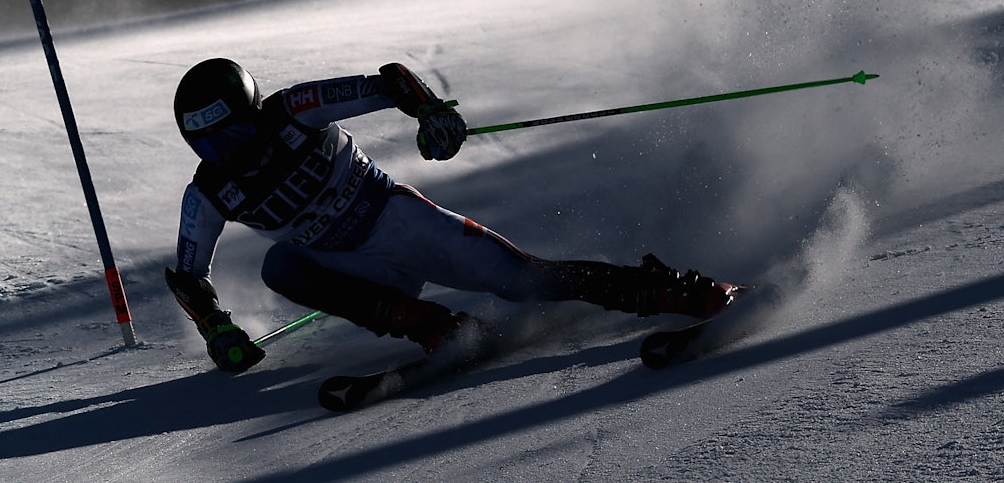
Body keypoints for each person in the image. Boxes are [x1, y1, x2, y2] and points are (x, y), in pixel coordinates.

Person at [165, 58, 744, 373]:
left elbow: (388, 81)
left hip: (396, 221)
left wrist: (430, 111)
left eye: (235, 133)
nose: (230, 154)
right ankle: (437, 328)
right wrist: (217, 328)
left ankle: (673, 291)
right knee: (281, 265)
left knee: (521, 279)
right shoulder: (210, 193)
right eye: (210, 147)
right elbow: (189, 274)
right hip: (352, 269)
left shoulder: (293, 109)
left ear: (253, 111)